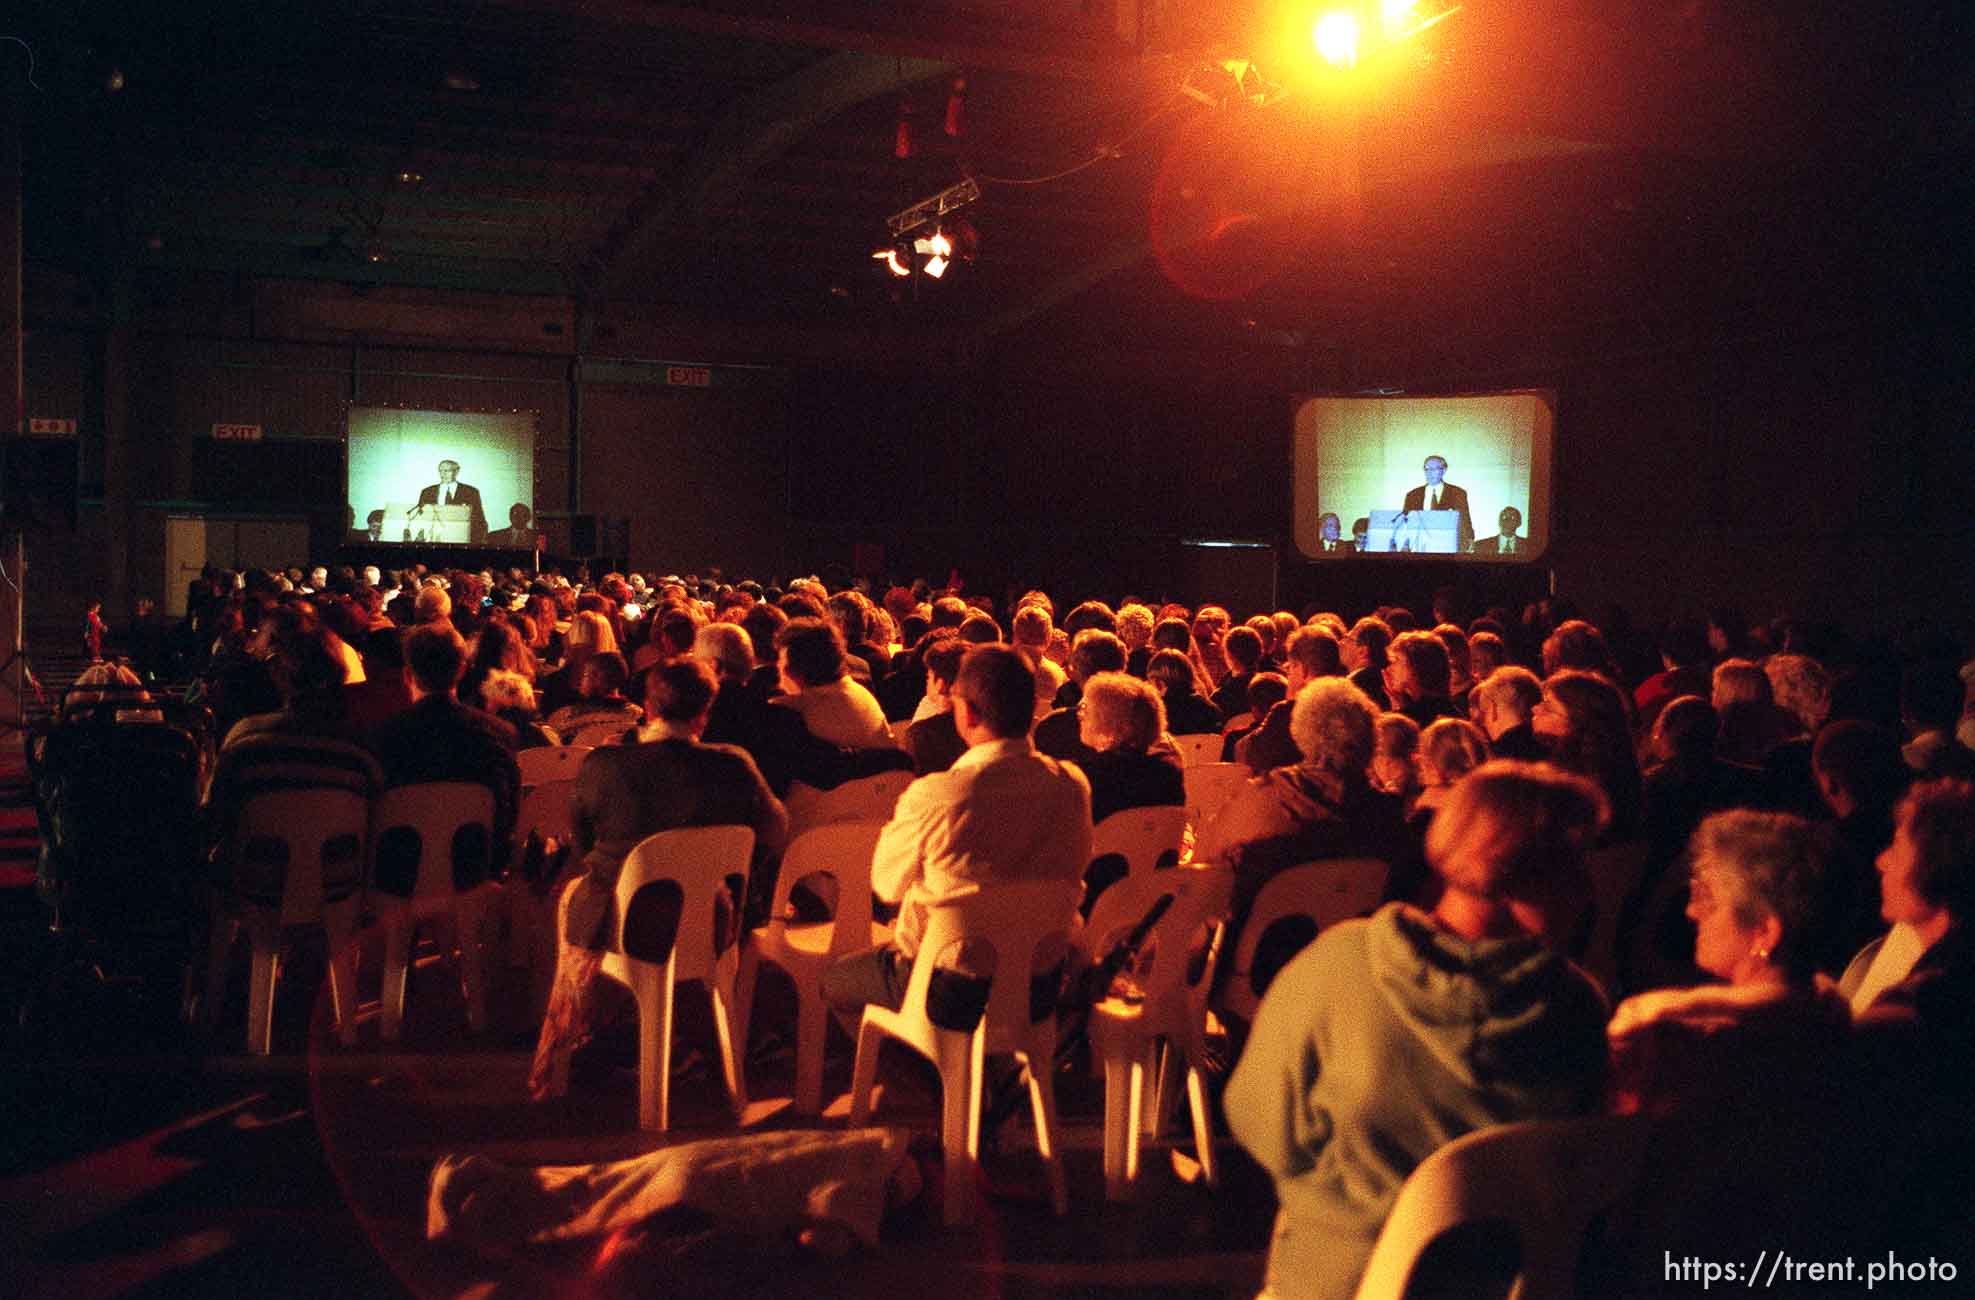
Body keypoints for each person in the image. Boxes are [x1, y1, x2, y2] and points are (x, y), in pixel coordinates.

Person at [1225, 761, 1610, 1300]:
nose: (1589, 887)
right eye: (1573, 864)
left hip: (1341, 1279)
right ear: (1513, 874)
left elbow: (1260, 1118)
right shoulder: (1575, 1007)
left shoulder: (1336, 967)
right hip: (1511, 1284)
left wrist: (1342, 1197)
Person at [530, 657, 788, 1099]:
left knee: (575, 891)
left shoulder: (605, 766)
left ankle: (586, 1037)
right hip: (709, 925)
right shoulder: (734, 766)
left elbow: (584, 843)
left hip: (623, 928)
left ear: (647, 708)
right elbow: (775, 830)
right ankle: (683, 1037)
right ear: (705, 713)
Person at [820, 645, 1090, 1024]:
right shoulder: (1072, 786)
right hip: (1039, 983)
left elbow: (886, 884)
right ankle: (973, 1073)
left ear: (967, 711)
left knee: (831, 981)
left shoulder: (938, 794)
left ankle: (918, 1071)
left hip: (950, 988)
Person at [1197, 677, 1408, 930]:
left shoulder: (1258, 799)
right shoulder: (1390, 816)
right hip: (1359, 955)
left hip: (1263, 959)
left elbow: (1207, 881)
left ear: (1301, 732)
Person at [371, 623, 521, 871]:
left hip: (400, 870)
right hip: (475, 868)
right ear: (462, 670)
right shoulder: (500, 734)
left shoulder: (384, 735)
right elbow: (507, 815)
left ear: (408, 675)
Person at [1399, 454, 1474, 553]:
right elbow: (1405, 523)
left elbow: (1465, 520)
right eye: (1427, 469)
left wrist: (1469, 540)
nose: (1430, 473)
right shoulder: (1413, 495)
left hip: (1447, 547)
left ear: (1444, 470)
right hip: (1419, 548)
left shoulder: (1457, 493)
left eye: (1435, 469)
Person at [413, 459, 488, 543]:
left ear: (457, 472)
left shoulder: (471, 492)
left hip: (460, 541)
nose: (443, 474)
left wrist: (476, 544)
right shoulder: (427, 492)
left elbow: (479, 520)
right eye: (440, 471)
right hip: (433, 541)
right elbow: (419, 518)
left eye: (447, 470)